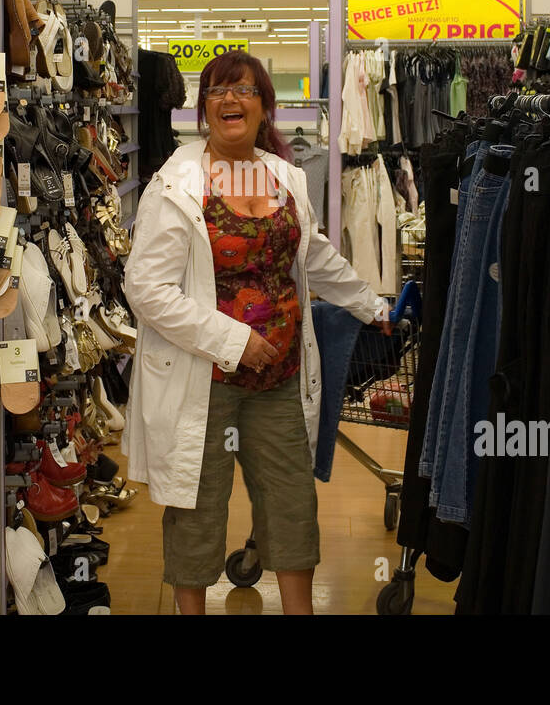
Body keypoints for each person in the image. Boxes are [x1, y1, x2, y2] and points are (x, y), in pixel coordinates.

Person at [122, 50, 389, 615]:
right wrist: (233, 340)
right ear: (203, 110)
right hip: (204, 378)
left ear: (265, 106)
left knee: (292, 501)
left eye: (243, 90)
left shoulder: (284, 176)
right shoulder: (173, 185)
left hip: (280, 376)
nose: (229, 100)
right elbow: (145, 289)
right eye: (217, 91)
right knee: (197, 506)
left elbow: (311, 253)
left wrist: (369, 304)